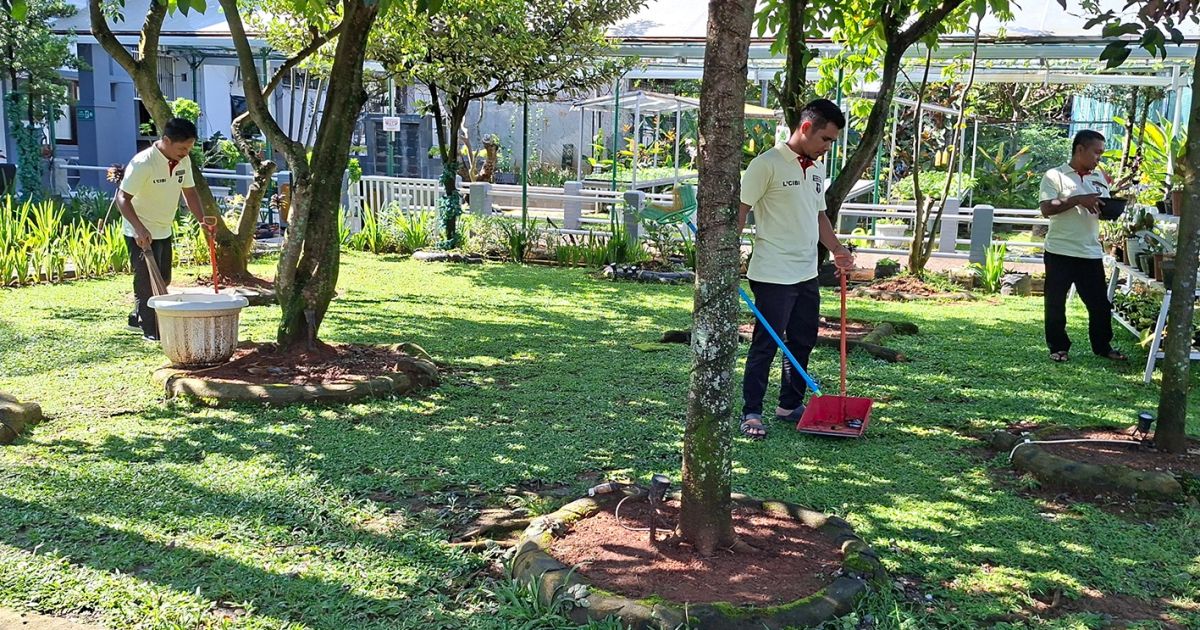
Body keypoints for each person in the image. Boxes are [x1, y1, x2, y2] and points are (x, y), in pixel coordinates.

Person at [736, 99, 855, 440]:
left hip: (806, 272)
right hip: (773, 273)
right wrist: (730, 254)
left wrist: (837, 249)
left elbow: (819, 216)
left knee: (803, 340)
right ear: (806, 128)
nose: (828, 147)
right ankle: (752, 412)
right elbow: (741, 210)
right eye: (826, 139)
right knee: (766, 345)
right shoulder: (766, 165)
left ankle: (789, 404)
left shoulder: (816, 168)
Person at [115, 118, 209, 341]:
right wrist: (138, 229)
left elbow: (190, 193)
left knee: (163, 278)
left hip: (164, 228)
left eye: (189, 148)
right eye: (182, 148)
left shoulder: (183, 161)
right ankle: (151, 330)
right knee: (147, 281)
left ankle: (137, 316)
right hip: (139, 232)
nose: (185, 153)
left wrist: (203, 221)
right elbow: (122, 198)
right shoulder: (143, 163)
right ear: (166, 140)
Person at [1039, 129, 1126, 363]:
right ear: (1080, 149)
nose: (1099, 158)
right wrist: (1078, 200)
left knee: (1099, 304)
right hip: (1059, 251)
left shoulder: (1098, 178)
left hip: (1089, 251)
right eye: (1097, 152)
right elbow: (1046, 208)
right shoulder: (1054, 176)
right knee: (1055, 303)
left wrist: (1112, 209)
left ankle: (1102, 346)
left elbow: (1101, 209)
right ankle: (1058, 347)